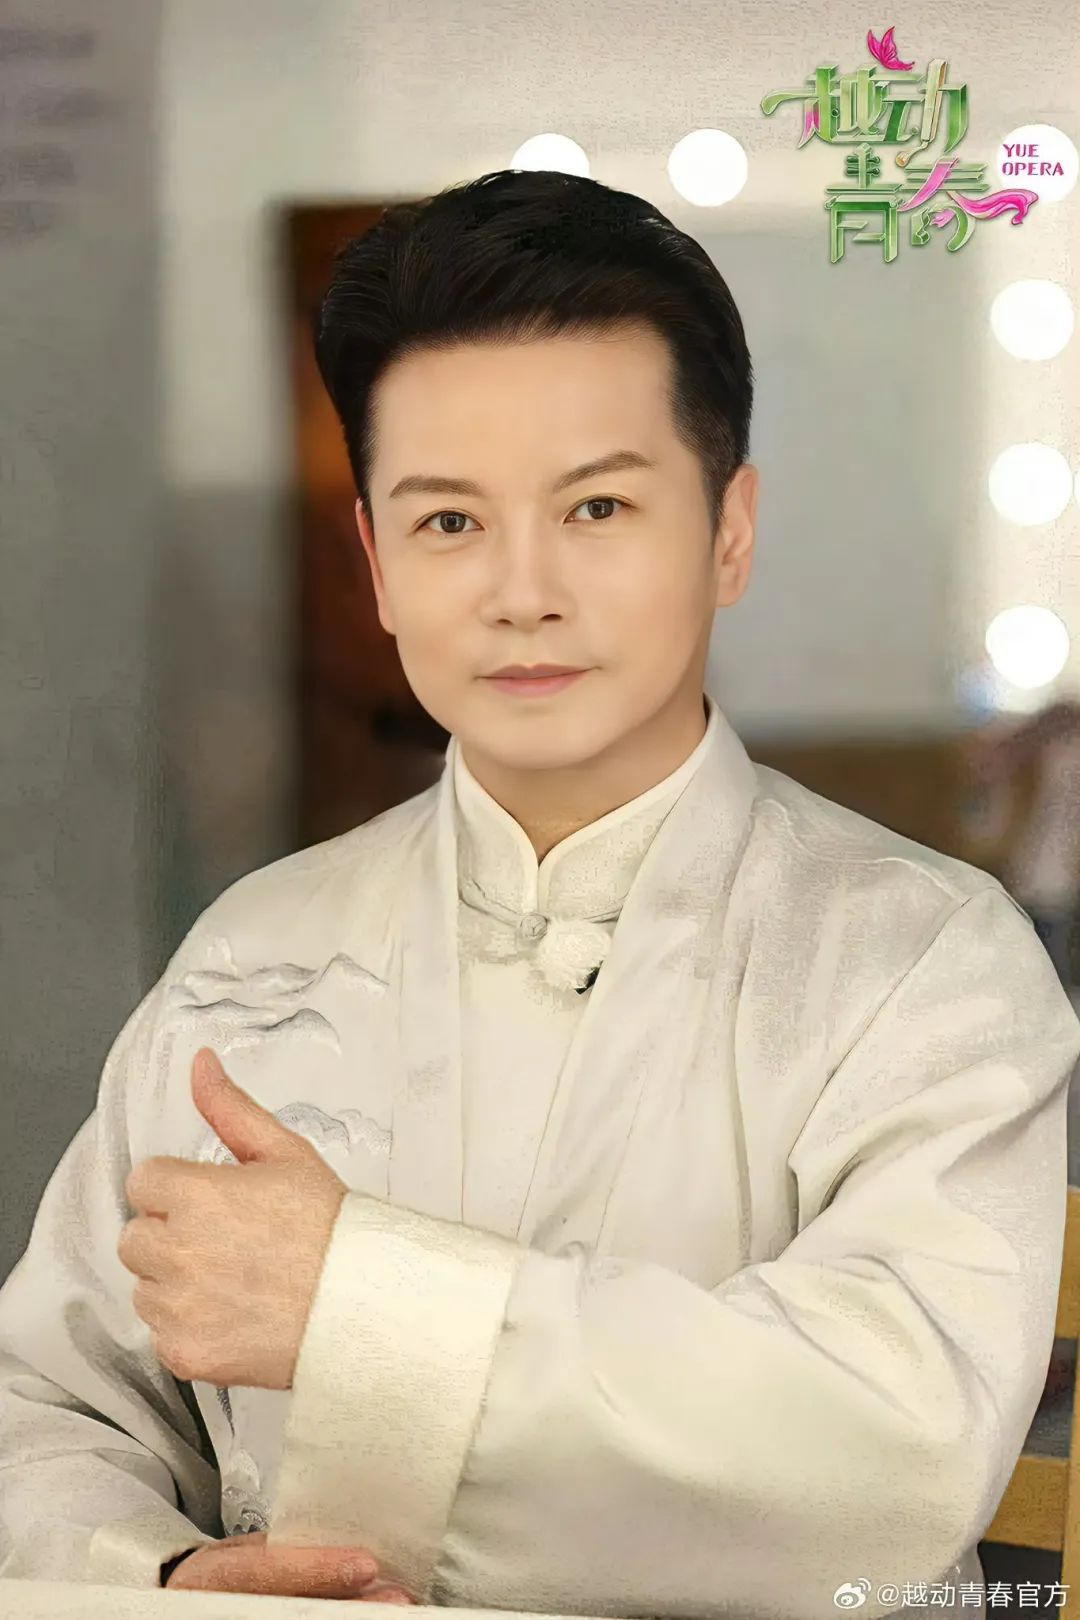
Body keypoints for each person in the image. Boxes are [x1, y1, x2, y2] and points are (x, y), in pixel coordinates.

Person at [1, 168, 1078, 1620]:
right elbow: (46, 1402)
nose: (523, 590)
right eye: (449, 523)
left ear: (731, 530)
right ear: (378, 564)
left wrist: (363, 1305)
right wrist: (168, 1568)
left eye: (598, 506)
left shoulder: (923, 959)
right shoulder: (254, 952)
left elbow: (896, 1456)